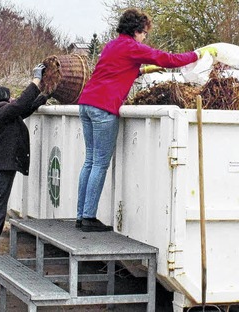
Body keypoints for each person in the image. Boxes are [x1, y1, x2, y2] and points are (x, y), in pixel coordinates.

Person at [76, 8, 217, 232]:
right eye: (144, 33)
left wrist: (141, 70)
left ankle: (80, 215)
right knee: (100, 163)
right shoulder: (132, 47)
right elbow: (168, 59)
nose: (145, 38)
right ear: (137, 31)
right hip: (104, 107)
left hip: (86, 103)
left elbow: (116, 70)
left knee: (90, 160)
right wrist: (197, 54)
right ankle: (88, 217)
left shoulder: (112, 45)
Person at [0, 64, 47, 255]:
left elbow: (22, 110)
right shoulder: (0, 110)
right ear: (3, 99)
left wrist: (43, 97)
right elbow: (19, 105)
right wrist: (36, 80)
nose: (12, 100)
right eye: (9, 97)